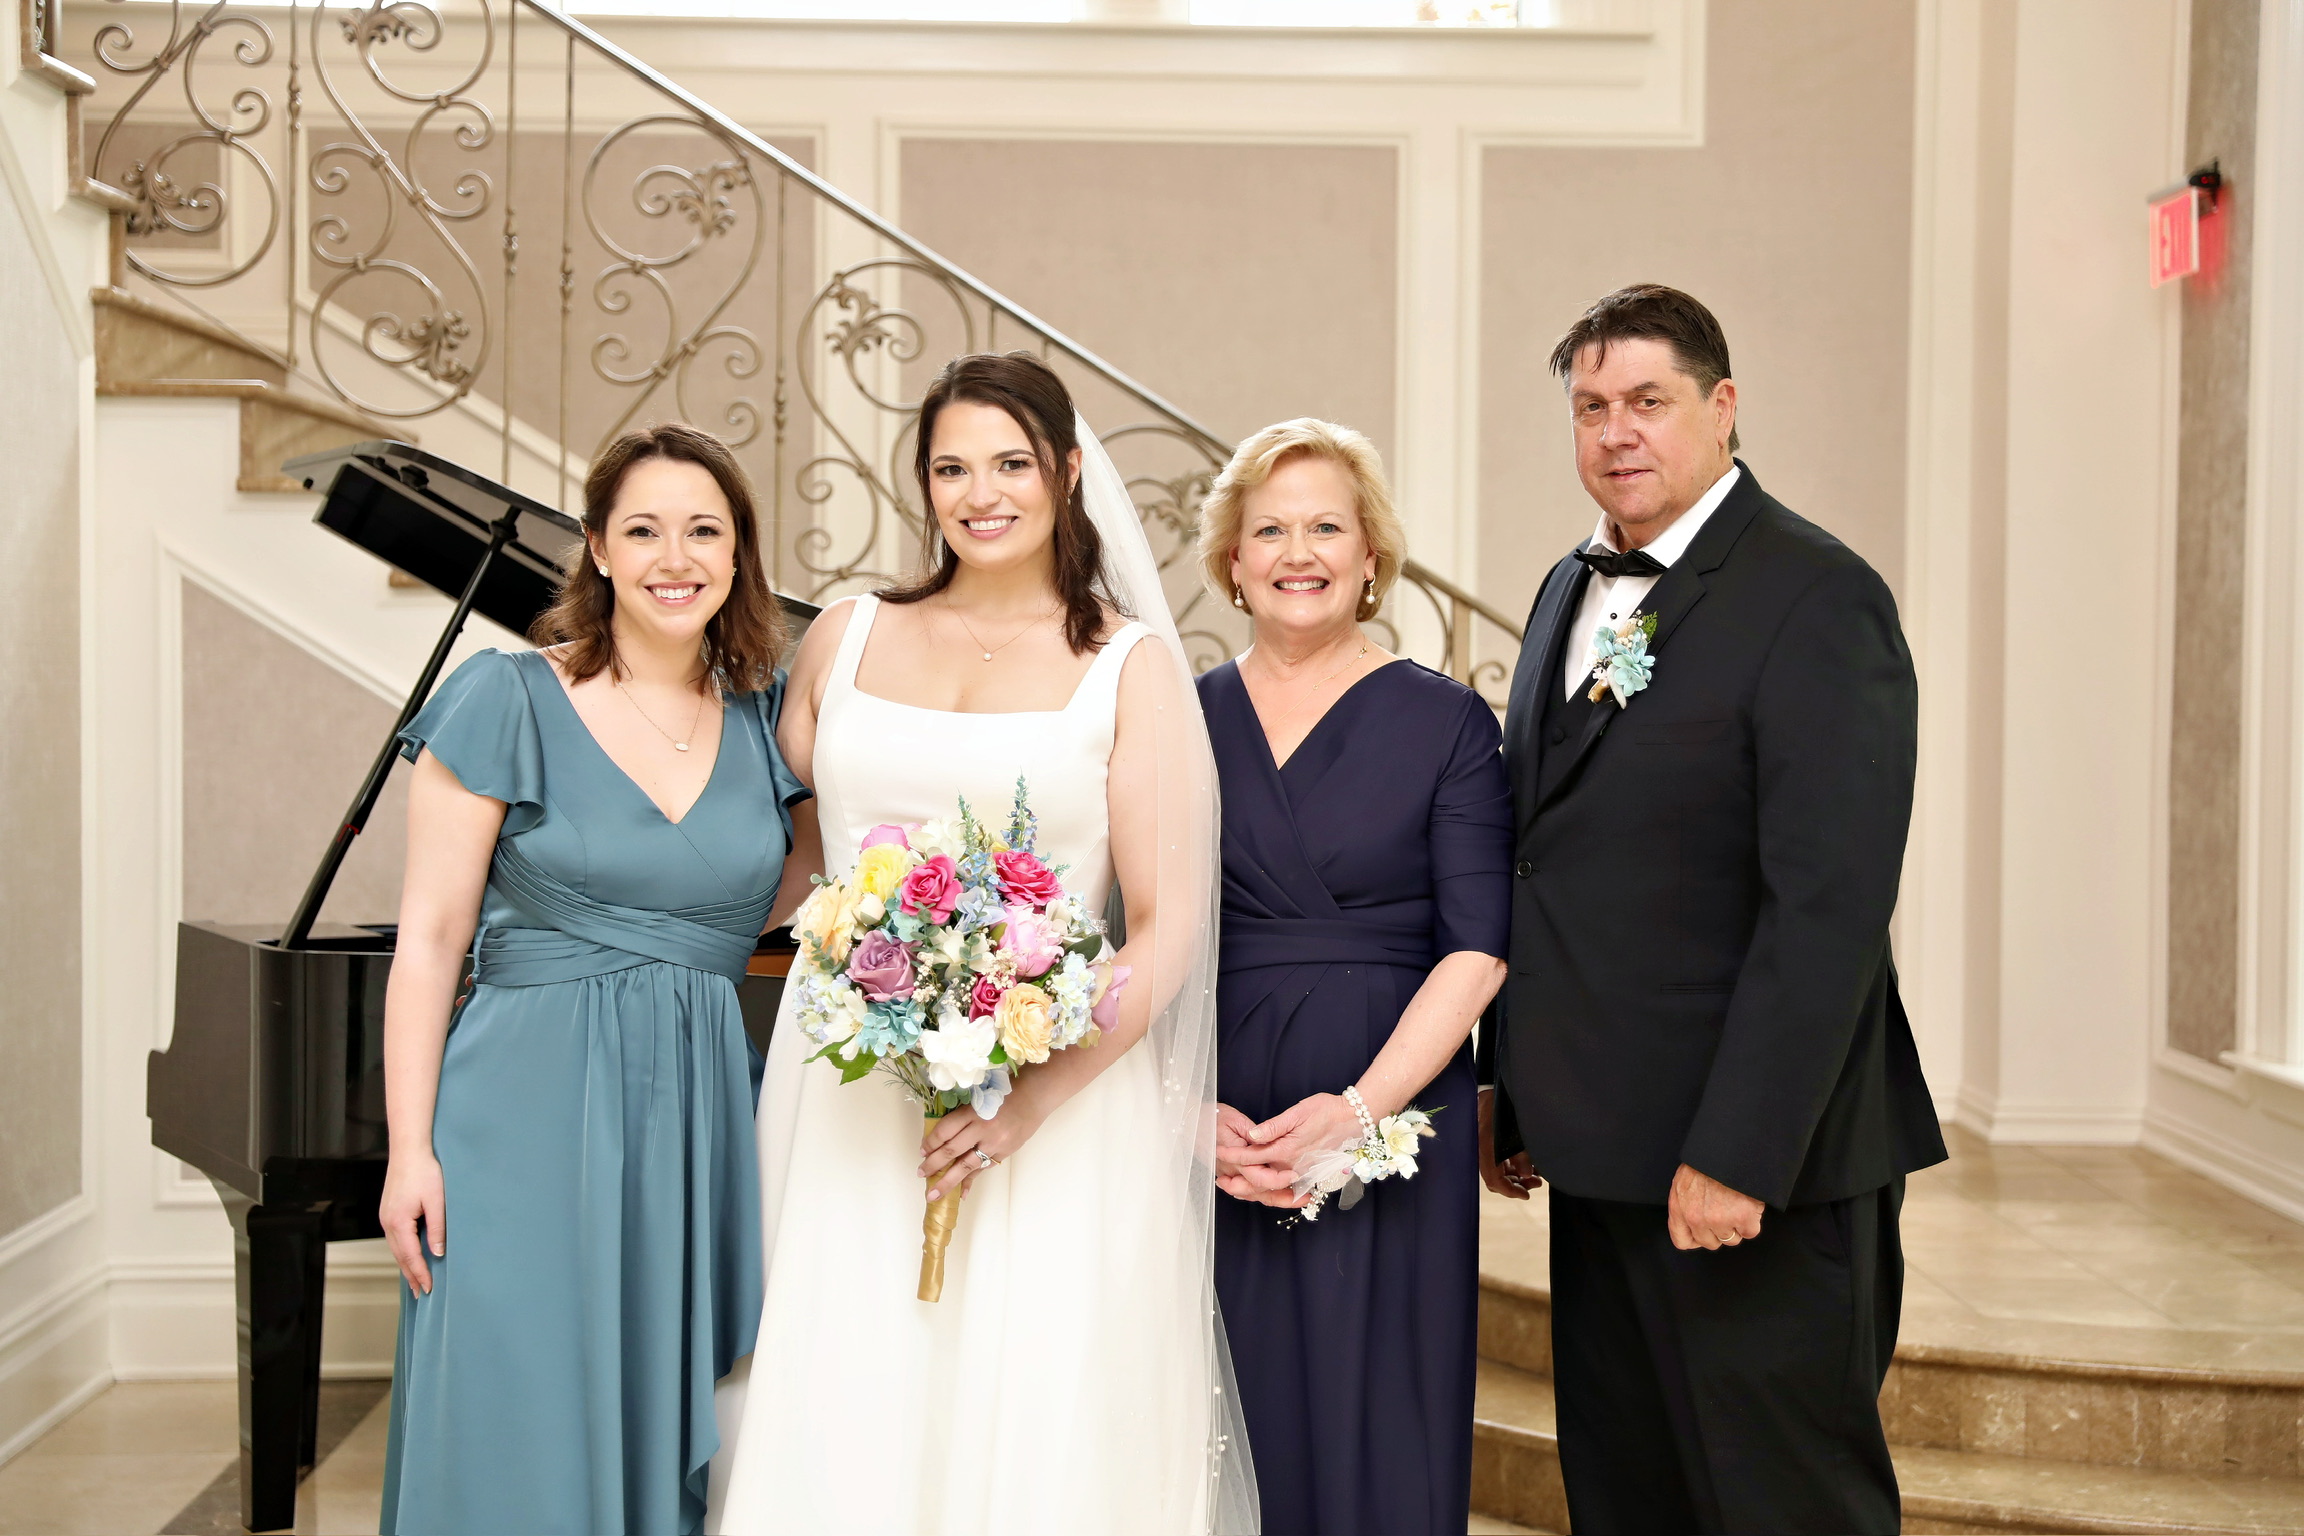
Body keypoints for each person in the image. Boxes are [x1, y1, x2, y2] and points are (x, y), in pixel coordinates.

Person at [709, 352, 1256, 1535]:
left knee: (1026, 1410)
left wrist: (1024, 1104)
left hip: (1053, 1100)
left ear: (1066, 472)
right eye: (951, 468)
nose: (980, 493)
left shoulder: (1130, 668)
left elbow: (1166, 927)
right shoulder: (844, 635)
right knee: (844, 1378)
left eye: (1011, 464)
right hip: (844, 1084)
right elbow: (783, 859)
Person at [1478, 284, 1945, 1534]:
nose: (1616, 431)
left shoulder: (1817, 595)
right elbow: (1541, 857)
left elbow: (1828, 910)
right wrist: (1510, 1083)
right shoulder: (1566, 586)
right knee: (1630, 1498)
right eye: (1591, 407)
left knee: (1779, 1507)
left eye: (1648, 400)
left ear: (1722, 406)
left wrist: (1740, 1153)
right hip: (1602, 1158)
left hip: (1753, 1170)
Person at [376, 423, 811, 1534]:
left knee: (663, 1400)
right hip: (519, 1110)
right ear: (599, 548)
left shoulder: (772, 724)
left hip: (700, 1113)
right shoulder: (505, 696)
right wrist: (409, 1150)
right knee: (516, 1401)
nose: (677, 558)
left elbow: (807, 884)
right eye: (645, 530)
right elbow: (429, 938)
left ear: (739, 553)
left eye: (704, 531)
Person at [1198, 419, 1511, 1536]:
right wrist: (1182, 1113)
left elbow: (1478, 947)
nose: (1299, 552)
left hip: (1391, 1110)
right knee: (1226, 1414)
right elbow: (1131, 930)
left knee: (1380, 1417)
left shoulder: (1449, 720)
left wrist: (1359, 1114)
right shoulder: (1177, 717)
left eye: (1327, 527)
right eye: (1270, 530)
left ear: (1372, 554)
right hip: (1220, 1123)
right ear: (1232, 559)